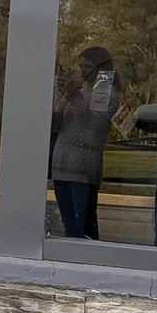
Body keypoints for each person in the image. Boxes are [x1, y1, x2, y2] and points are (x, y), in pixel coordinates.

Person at [50, 45, 123, 240]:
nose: (82, 70)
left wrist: (74, 95)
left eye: (87, 66)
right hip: (62, 164)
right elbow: (57, 124)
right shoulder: (80, 91)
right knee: (69, 227)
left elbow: (93, 124)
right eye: (80, 66)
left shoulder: (106, 93)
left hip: (83, 168)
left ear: (100, 69)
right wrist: (60, 96)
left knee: (84, 229)